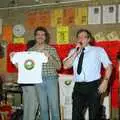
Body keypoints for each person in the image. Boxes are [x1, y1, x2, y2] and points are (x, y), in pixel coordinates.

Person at [63, 29, 112, 120]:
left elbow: (109, 66)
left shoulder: (98, 50)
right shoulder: (73, 51)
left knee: (94, 115)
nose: (81, 39)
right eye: (79, 37)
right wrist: (76, 53)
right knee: (76, 115)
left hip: (94, 86)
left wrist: (105, 81)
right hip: (78, 87)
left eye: (84, 37)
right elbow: (66, 66)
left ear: (89, 39)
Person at [29, 26, 61, 120]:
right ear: (35, 36)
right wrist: (14, 59)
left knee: (54, 107)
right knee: (43, 108)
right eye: (38, 34)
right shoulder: (30, 51)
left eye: (42, 34)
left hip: (51, 79)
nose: (40, 36)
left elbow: (59, 66)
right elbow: (27, 68)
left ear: (46, 37)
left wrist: (49, 56)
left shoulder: (51, 49)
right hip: (38, 81)